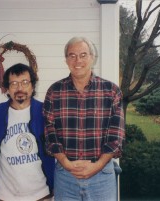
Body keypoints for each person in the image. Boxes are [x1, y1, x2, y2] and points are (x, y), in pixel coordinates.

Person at [43, 37, 125, 201]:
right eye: (72, 55)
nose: (77, 60)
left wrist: (97, 166)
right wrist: (66, 164)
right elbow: (49, 133)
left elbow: (116, 136)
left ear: (92, 57)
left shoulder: (111, 91)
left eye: (83, 55)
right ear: (66, 59)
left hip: (102, 177)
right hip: (66, 178)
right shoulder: (54, 92)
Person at [0, 63, 55, 201]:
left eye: (25, 82)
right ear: (7, 89)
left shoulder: (46, 112)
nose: (20, 88)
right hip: (1, 194)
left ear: (32, 86)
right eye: (14, 83)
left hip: (41, 194)